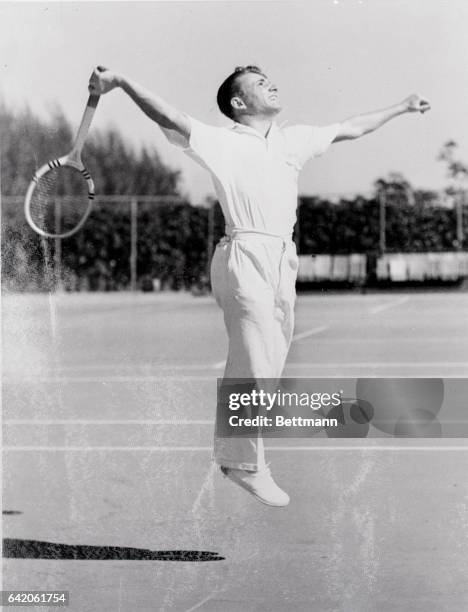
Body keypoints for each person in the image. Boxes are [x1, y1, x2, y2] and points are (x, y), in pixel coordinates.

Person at [88, 65, 430, 507]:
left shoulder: (292, 140)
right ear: (238, 103)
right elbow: (169, 116)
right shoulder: (221, 140)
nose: (271, 81)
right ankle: (244, 463)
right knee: (253, 359)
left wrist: (402, 107)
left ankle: (240, 457)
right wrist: (124, 82)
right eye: (258, 80)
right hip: (243, 254)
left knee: (268, 365)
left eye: (269, 76)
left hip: (282, 260)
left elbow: (350, 128)